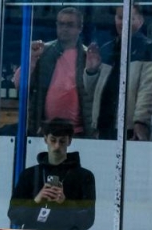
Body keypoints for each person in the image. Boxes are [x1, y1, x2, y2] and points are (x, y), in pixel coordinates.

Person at [85, 4, 152, 140]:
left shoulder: (150, 49)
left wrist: (140, 122)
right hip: (104, 127)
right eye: (120, 17)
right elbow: (91, 93)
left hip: (131, 130)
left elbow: (149, 90)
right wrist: (91, 71)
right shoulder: (106, 49)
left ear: (141, 21)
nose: (123, 23)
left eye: (130, 18)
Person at [14, 7, 94, 136]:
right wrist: (31, 59)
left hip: (78, 132)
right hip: (45, 132)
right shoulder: (43, 52)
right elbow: (19, 85)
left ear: (80, 28)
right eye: (61, 24)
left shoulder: (87, 57)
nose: (64, 28)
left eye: (70, 25)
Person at [7, 118, 96, 230]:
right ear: (45, 139)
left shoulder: (84, 177)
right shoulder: (29, 175)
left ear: (69, 141)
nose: (57, 146)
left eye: (62, 141)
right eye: (53, 140)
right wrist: (36, 200)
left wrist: (65, 203)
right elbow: (14, 216)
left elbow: (87, 222)